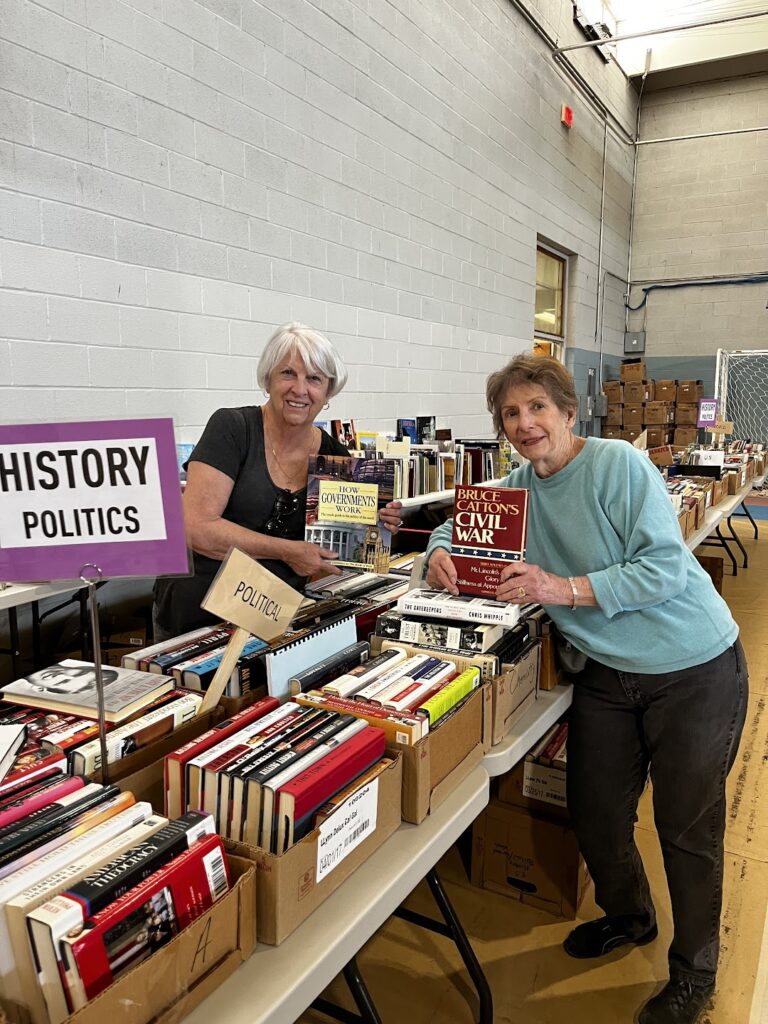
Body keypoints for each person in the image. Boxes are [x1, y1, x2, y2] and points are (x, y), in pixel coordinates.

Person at [426, 355, 748, 1024]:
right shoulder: (515, 488)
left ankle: (696, 973)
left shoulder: (616, 466)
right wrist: (438, 552)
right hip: (607, 674)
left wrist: (560, 589)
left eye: (537, 408)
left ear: (569, 412)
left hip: (692, 665)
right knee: (596, 811)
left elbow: (662, 567)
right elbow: (454, 527)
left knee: (687, 827)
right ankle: (630, 915)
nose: (525, 423)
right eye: (511, 413)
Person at [153, 322, 402, 640]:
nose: (300, 389)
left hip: (273, 620)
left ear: (327, 391)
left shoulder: (334, 457)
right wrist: (287, 551)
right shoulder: (232, 429)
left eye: (314, 379)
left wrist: (377, 523)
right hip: (197, 619)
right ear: (268, 379)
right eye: (288, 373)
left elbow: (337, 553)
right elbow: (195, 528)